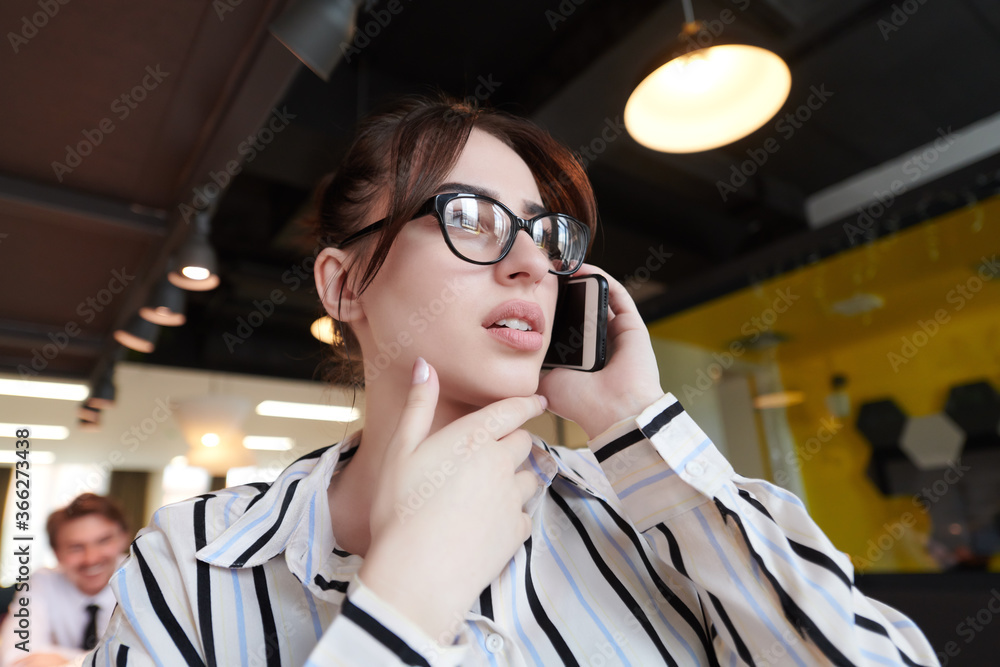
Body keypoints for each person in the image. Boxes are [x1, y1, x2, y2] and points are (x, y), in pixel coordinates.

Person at [92, 96, 940, 666]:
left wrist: (638, 424)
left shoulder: (642, 516)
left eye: (546, 233)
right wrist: (403, 603)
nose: (533, 262)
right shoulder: (188, 565)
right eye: (469, 218)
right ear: (343, 284)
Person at [1, 494, 129, 667]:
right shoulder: (42, 582)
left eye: (103, 541)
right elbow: (14, 657)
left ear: (124, 538)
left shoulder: (143, 580)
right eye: (75, 547)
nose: (91, 558)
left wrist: (67, 660)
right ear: (56, 553)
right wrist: (108, 658)